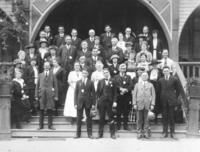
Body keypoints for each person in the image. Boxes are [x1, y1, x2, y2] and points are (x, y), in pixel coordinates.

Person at [158, 66, 181, 138]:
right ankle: (165, 132)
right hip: (163, 100)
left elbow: (178, 90)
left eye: (167, 71)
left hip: (171, 100)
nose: (166, 72)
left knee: (171, 116)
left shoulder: (174, 79)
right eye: (164, 71)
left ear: (169, 71)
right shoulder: (160, 80)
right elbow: (158, 91)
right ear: (163, 72)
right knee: (164, 116)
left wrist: (174, 97)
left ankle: (172, 132)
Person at [35, 61, 58, 130]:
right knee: (41, 110)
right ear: (43, 66)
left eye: (48, 66)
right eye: (45, 65)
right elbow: (37, 86)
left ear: (50, 67)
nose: (46, 67)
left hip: (50, 95)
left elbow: (56, 86)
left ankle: (50, 125)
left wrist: (56, 96)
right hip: (42, 95)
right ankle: (40, 126)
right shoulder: (40, 75)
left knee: (50, 110)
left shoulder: (53, 75)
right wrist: (36, 95)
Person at [132, 72, 155, 139]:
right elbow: (134, 95)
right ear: (141, 77)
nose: (144, 77)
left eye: (146, 75)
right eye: (143, 75)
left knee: (146, 119)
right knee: (139, 119)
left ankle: (146, 132)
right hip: (139, 104)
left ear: (147, 77)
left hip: (147, 104)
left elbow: (153, 95)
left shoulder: (151, 85)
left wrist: (152, 104)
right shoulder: (137, 85)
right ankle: (139, 132)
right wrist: (134, 103)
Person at [74, 69, 96, 139]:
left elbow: (94, 94)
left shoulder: (91, 82)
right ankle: (78, 134)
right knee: (78, 118)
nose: (84, 74)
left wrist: (93, 103)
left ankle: (90, 134)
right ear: (82, 74)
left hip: (88, 102)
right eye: (83, 73)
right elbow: (75, 93)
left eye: (85, 73)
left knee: (89, 118)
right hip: (79, 102)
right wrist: (75, 103)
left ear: (88, 74)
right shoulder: (78, 82)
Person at [96, 68, 117, 139]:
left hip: (110, 102)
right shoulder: (100, 81)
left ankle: (112, 134)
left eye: (107, 72)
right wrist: (98, 101)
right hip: (102, 102)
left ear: (109, 73)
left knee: (111, 118)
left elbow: (115, 93)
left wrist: (114, 101)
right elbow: (98, 92)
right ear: (103, 74)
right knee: (101, 118)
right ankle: (100, 134)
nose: (105, 74)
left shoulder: (113, 81)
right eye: (104, 73)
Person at [114, 63, 132, 130]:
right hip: (119, 96)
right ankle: (118, 125)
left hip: (126, 97)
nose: (123, 69)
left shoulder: (128, 77)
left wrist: (126, 90)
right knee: (118, 112)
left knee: (125, 112)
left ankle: (125, 125)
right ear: (119, 69)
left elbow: (131, 85)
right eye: (121, 68)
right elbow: (115, 85)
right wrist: (120, 89)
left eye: (124, 68)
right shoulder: (116, 77)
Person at [148, 59, 162, 124]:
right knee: (151, 103)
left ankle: (156, 118)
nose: (154, 66)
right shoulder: (149, 72)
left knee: (157, 103)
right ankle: (151, 118)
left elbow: (162, 79)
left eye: (155, 64)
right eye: (153, 65)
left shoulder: (160, 71)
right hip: (151, 89)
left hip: (158, 89)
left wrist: (157, 80)